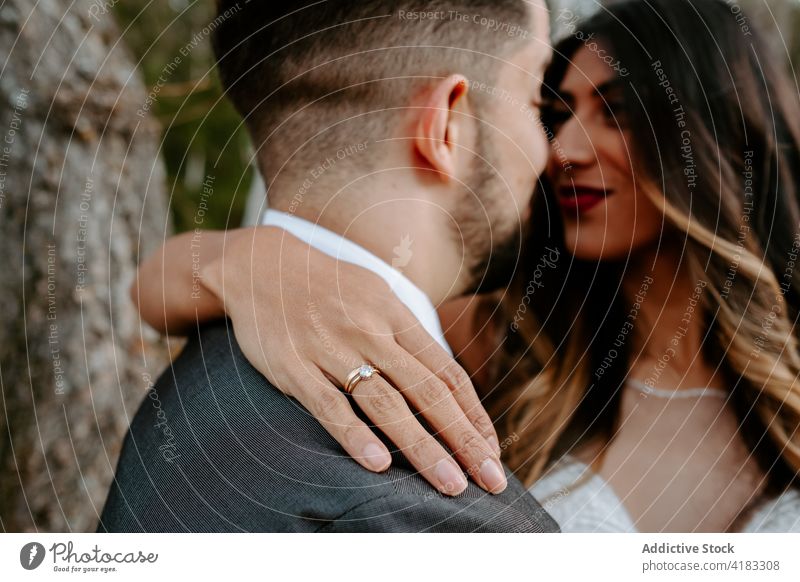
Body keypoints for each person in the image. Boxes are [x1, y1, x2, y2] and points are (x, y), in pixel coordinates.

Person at [133, 0, 800, 532]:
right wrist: (261, 264)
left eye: (616, 114)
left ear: (718, 135)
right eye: (553, 112)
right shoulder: (506, 336)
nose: (564, 149)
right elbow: (151, 287)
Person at [98, 0, 560, 532]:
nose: (553, 152)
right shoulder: (436, 520)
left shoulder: (200, 382)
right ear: (446, 125)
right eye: (536, 99)